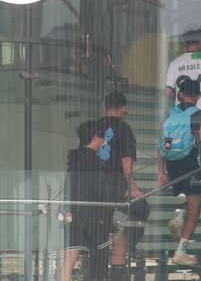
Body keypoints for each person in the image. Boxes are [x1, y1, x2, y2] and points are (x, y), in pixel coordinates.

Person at [157, 77, 201, 266]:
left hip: (172, 166)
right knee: (195, 209)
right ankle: (180, 252)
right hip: (192, 166)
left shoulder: (168, 114)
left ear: (180, 94)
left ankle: (180, 217)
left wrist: (161, 172)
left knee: (196, 198)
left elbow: (162, 144)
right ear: (197, 96)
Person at [62, 119, 118, 281]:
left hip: (75, 214)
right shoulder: (95, 161)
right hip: (95, 216)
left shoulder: (73, 159)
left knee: (70, 258)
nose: (104, 140)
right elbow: (101, 190)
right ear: (95, 137)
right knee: (100, 256)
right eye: (103, 137)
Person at [96, 91, 144, 281]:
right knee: (119, 230)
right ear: (124, 108)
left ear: (104, 106)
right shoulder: (124, 129)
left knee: (100, 230)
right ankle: (117, 272)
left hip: (92, 187)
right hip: (114, 188)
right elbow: (126, 164)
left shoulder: (93, 127)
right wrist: (132, 186)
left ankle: (96, 272)